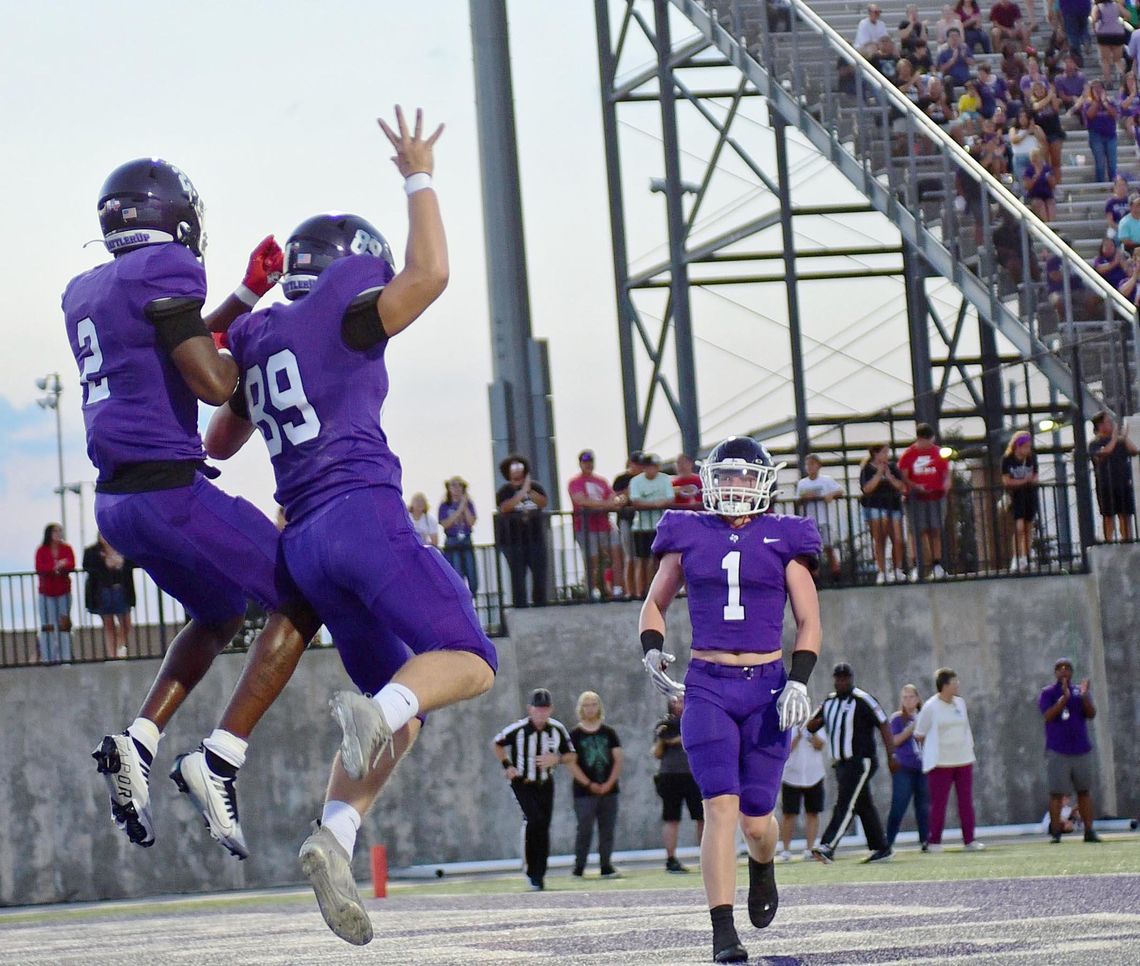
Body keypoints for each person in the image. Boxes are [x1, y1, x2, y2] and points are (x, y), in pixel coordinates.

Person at [202, 108, 499, 944]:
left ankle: (335, 834)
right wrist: (418, 173)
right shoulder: (344, 307)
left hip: (304, 545)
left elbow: (221, 439)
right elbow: (430, 274)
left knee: (403, 704)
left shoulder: (257, 335)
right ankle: (376, 714)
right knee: (471, 662)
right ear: (346, 269)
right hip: (363, 515)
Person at [66, 156, 320, 857]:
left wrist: (242, 294)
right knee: (304, 593)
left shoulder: (88, 288)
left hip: (119, 503)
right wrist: (271, 343)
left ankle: (138, 743)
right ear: (173, 216)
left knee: (220, 612)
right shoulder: (167, 271)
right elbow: (208, 381)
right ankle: (219, 759)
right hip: (168, 494)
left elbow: (172, 339)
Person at [638, 435, 823, 964]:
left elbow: (809, 619)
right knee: (719, 805)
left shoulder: (785, 538)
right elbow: (655, 602)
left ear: (763, 482)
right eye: (728, 476)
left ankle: (762, 866)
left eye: (746, 476)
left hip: (766, 688)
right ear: (710, 480)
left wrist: (799, 679)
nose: (736, 486)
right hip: (707, 685)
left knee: (757, 821)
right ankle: (723, 930)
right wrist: (652, 650)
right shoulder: (688, 532)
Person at [807, 662, 898, 864]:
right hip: (840, 763)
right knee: (862, 803)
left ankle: (828, 845)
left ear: (851, 678)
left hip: (860, 760)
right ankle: (882, 847)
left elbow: (883, 723)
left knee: (845, 803)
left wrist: (892, 755)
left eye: (845, 678)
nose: (841, 681)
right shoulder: (829, 702)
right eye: (838, 678)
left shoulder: (862, 700)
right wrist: (815, 714)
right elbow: (812, 725)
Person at [492, 688, 576, 891]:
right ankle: (531, 872)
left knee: (544, 826)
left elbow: (571, 755)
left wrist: (556, 759)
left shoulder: (556, 729)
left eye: (545, 709)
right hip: (523, 782)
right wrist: (508, 766)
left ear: (551, 710)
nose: (541, 714)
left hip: (546, 783)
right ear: (530, 709)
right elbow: (497, 743)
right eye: (538, 709)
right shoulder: (519, 730)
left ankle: (540, 873)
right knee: (534, 821)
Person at [914, 667, 984, 851]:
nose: (957, 685)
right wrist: (927, 755)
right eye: (954, 683)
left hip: (963, 759)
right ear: (944, 686)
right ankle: (934, 841)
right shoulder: (931, 706)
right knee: (939, 803)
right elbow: (919, 733)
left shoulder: (960, 703)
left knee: (966, 802)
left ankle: (969, 840)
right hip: (941, 763)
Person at [1039, 658, 1102, 844]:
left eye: (1067, 668)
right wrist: (1063, 700)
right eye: (1060, 669)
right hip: (1058, 750)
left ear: (1072, 672)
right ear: (1055, 672)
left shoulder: (1079, 692)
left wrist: (1084, 696)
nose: (1064, 671)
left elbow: (1091, 714)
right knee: (1056, 793)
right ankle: (1056, 832)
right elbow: (1048, 716)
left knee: (1084, 791)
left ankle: (1089, 831)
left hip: (1081, 749)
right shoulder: (1048, 692)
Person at [568, 691, 624, 878]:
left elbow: (617, 759)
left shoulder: (609, 733)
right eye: (586, 705)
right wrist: (588, 783)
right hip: (584, 792)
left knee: (607, 829)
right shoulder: (574, 734)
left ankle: (606, 865)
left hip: (609, 790)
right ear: (581, 708)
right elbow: (571, 762)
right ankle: (579, 866)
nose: (590, 708)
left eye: (593, 704)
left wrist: (609, 782)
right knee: (584, 828)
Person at [654, 693, 704, 874]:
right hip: (670, 775)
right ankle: (671, 859)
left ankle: (706, 856)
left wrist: (678, 739)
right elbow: (657, 752)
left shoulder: (698, 720)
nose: (678, 704)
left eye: (682, 700)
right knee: (671, 818)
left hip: (694, 774)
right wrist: (664, 740)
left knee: (702, 817)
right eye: (675, 701)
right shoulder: (665, 725)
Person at [567, 449, 624, 600]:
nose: (589, 465)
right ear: (580, 464)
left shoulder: (602, 481)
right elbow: (582, 501)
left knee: (616, 554)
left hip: (606, 525)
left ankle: (617, 589)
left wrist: (605, 504)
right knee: (592, 560)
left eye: (591, 461)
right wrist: (605, 504)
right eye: (585, 462)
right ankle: (593, 590)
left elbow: (613, 500)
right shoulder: (574, 482)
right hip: (586, 527)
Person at [899, 423, 951, 581]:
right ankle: (916, 565)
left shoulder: (937, 452)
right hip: (916, 499)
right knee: (917, 531)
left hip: (936, 497)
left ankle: (937, 564)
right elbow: (904, 475)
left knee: (935, 529)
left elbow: (946, 472)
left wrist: (946, 486)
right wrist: (916, 487)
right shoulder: (908, 454)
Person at [495, 454, 549, 607]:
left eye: (520, 467)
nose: (517, 471)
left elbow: (543, 502)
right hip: (512, 541)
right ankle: (520, 606)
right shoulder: (504, 491)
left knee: (539, 574)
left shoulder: (536, 487)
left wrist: (529, 490)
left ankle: (540, 604)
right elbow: (505, 507)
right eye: (513, 468)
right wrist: (521, 492)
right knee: (518, 576)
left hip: (535, 538)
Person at [885, 684, 930, 851]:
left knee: (923, 806)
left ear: (917, 699)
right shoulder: (897, 719)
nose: (908, 700)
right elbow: (894, 741)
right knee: (899, 805)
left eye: (911, 697)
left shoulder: (925, 716)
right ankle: (888, 842)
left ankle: (926, 840)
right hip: (904, 768)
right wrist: (911, 728)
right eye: (904, 697)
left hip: (923, 767)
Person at [859, 444, 907, 584]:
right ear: (875, 453)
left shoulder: (892, 467)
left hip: (894, 505)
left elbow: (901, 486)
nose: (886, 455)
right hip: (875, 506)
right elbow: (867, 488)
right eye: (884, 452)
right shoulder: (867, 469)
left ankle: (897, 568)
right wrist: (879, 474)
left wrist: (889, 476)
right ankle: (882, 570)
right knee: (880, 539)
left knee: (897, 538)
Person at [83, 533, 136, 659]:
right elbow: (87, 566)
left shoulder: (122, 548)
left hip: (121, 589)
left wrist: (121, 563)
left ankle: (121, 647)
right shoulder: (92, 551)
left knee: (126, 622)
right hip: (103, 591)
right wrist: (105, 563)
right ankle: (112, 655)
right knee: (109, 624)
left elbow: (134, 562)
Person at [779, 723, 827, 861]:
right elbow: (786, 750)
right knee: (789, 813)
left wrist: (810, 733)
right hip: (791, 775)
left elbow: (820, 745)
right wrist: (798, 736)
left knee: (812, 812)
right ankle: (786, 850)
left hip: (814, 774)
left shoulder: (816, 725)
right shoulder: (787, 726)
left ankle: (810, 848)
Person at [628, 453, 674, 599]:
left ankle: (658, 589)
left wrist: (648, 503)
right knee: (641, 560)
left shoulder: (665, 479)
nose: (652, 469)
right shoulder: (635, 481)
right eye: (649, 466)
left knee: (659, 560)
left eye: (654, 466)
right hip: (641, 527)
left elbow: (670, 499)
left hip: (660, 526)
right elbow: (635, 501)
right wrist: (656, 503)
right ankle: (640, 591)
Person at [1088, 410, 1138, 541]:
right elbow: (1104, 453)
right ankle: (1108, 539)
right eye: (1108, 422)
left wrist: (1124, 437)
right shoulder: (1095, 443)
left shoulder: (1120, 442)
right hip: (1106, 484)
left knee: (1125, 514)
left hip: (1123, 482)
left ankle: (1126, 538)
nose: (1112, 425)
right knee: (1108, 515)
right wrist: (1115, 438)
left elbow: (1134, 451)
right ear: (1100, 426)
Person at [795, 454, 844, 580]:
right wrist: (804, 498)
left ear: (818, 465)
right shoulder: (802, 483)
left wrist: (830, 495)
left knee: (828, 546)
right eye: (808, 464)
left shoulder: (826, 480)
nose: (810, 467)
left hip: (824, 519)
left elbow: (840, 491)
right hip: (809, 521)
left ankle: (836, 572)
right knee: (811, 549)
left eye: (812, 464)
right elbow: (797, 500)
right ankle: (815, 575)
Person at [34, 523, 75, 664]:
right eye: (55, 531)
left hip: (63, 592)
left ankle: (65, 658)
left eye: (60, 531)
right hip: (46, 593)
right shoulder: (42, 550)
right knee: (48, 626)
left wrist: (63, 565)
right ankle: (48, 658)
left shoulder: (67, 548)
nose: (58, 534)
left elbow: (71, 564)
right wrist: (55, 566)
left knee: (64, 626)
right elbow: (40, 567)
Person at [1001, 431, 1039, 572]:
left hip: (1030, 494)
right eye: (1026, 446)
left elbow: (1035, 476)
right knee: (1019, 527)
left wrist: (1030, 480)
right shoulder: (1008, 459)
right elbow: (1006, 481)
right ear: (1018, 446)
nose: (1028, 449)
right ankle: (1016, 557)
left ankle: (1026, 556)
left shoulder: (1031, 458)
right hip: (1016, 496)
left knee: (1029, 527)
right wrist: (1023, 481)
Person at [613, 451, 645, 599]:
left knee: (644, 557)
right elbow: (618, 498)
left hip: (643, 521)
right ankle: (629, 591)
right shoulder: (621, 479)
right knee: (629, 556)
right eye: (637, 463)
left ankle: (643, 588)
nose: (639, 467)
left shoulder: (646, 479)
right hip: (626, 520)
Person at [439, 476, 478, 595]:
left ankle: (472, 594)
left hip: (466, 539)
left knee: (471, 572)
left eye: (460, 485)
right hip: (452, 541)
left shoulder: (469, 504)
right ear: (449, 488)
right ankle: (459, 595)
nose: (457, 488)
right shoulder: (444, 505)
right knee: (456, 572)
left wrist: (464, 506)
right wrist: (459, 509)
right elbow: (445, 524)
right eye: (453, 485)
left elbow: (471, 522)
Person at [1079, 80, 1119, 184]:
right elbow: (1090, 115)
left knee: (1112, 163)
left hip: (1111, 135)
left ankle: (1114, 184)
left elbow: (1115, 114)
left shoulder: (1111, 101)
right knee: (1100, 162)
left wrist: (1105, 103)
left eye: (1099, 87)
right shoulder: (1087, 103)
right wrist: (1097, 101)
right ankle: (1101, 185)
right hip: (1096, 135)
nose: (1097, 89)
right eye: (1094, 87)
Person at [1092, 0, 1127, 87]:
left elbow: (1094, 19)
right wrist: (1122, 22)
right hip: (1117, 32)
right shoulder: (1117, 5)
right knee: (1118, 59)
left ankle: (1108, 82)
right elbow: (1127, 15)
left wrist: (1095, 28)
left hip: (1104, 33)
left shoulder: (1098, 7)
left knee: (1105, 60)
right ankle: (1122, 74)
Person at [1023, 147, 1057, 221]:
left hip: (1047, 194)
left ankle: (1052, 226)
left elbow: (1053, 185)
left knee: (1051, 203)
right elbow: (1027, 187)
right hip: (1034, 196)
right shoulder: (1029, 170)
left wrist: (1050, 179)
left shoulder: (1047, 169)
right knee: (1039, 203)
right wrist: (1035, 178)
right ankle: (1046, 227)